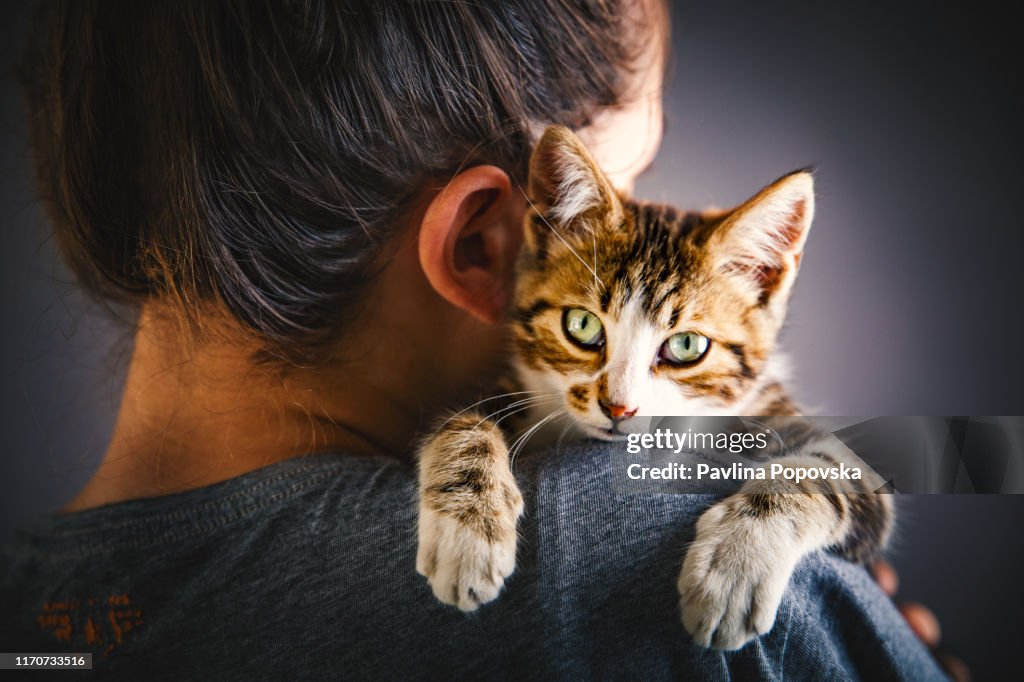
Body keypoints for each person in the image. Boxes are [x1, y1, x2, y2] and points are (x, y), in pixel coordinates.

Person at [1, 1, 960, 679]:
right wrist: (835, 638)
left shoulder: (36, 625)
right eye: (637, 176)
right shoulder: (649, 558)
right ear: (479, 244)